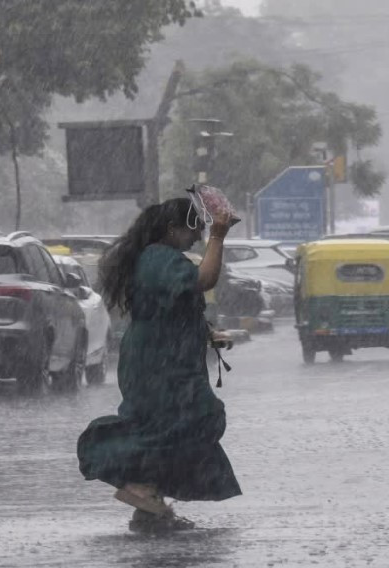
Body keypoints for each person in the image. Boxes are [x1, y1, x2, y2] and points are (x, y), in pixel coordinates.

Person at [77, 197, 241, 532]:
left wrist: (207, 333)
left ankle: (150, 508)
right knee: (188, 421)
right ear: (172, 229)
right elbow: (204, 279)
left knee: (167, 426)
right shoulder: (158, 259)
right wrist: (219, 236)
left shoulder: (159, 259)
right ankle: (138, 482)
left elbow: (173, 307)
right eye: (194, 229)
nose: (197, 237)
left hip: (164, 357)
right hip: (160, 363)